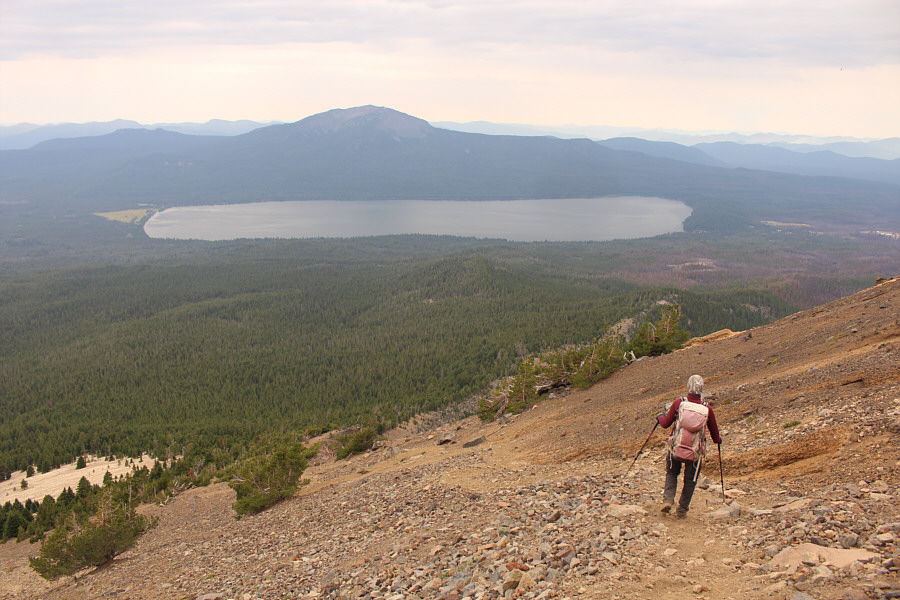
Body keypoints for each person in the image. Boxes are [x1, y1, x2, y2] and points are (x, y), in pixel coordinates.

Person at [657, 374, 721, 518]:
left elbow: (665, 423)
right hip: (695, 451)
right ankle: (682, 509)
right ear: (702, 389)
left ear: (688, 387)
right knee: (690, 480)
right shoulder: (707, 409)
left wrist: (660, 416)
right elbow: (715, 435)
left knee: (672, 473)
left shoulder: (679, 403)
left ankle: (668, 500)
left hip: (677, 447)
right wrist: (718, 440)